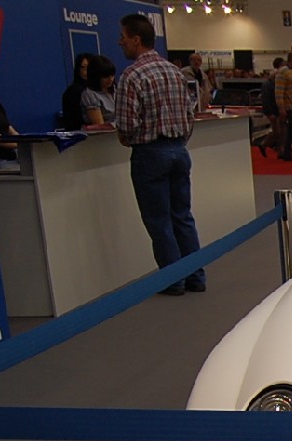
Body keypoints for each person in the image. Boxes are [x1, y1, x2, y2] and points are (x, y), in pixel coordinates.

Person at [113, 12, 205, 296]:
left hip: (150, 154)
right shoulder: (175, 72)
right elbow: (189, 115)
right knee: (182, 216)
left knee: (159, 220)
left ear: (136, 39)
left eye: (123, 37)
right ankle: (196, 276)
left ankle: (173, 280)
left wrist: (128, 138)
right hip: (179, 150)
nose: (120, 42)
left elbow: (127, 124)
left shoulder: (132, 76)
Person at [81, 55, 118, 126]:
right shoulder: (90, 95)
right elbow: (99, 125)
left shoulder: (115, 89)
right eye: (106, 77)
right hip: (104, 132)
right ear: (96, 77)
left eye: (112, 75)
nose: (110, 79)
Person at [258, 57, 284, 157]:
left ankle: (280, 151)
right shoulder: (267, 86)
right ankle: (264, 144)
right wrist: (269, 113)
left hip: (276, 111)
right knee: (277, 132)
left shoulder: (273, 85)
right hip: (273, 112)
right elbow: (266, 100)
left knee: (280, 132)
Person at [60, 52, 94, 131]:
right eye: (83, 67)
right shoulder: (72, 91)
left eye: (89, 67)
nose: (86, 71)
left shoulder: (101, 89)